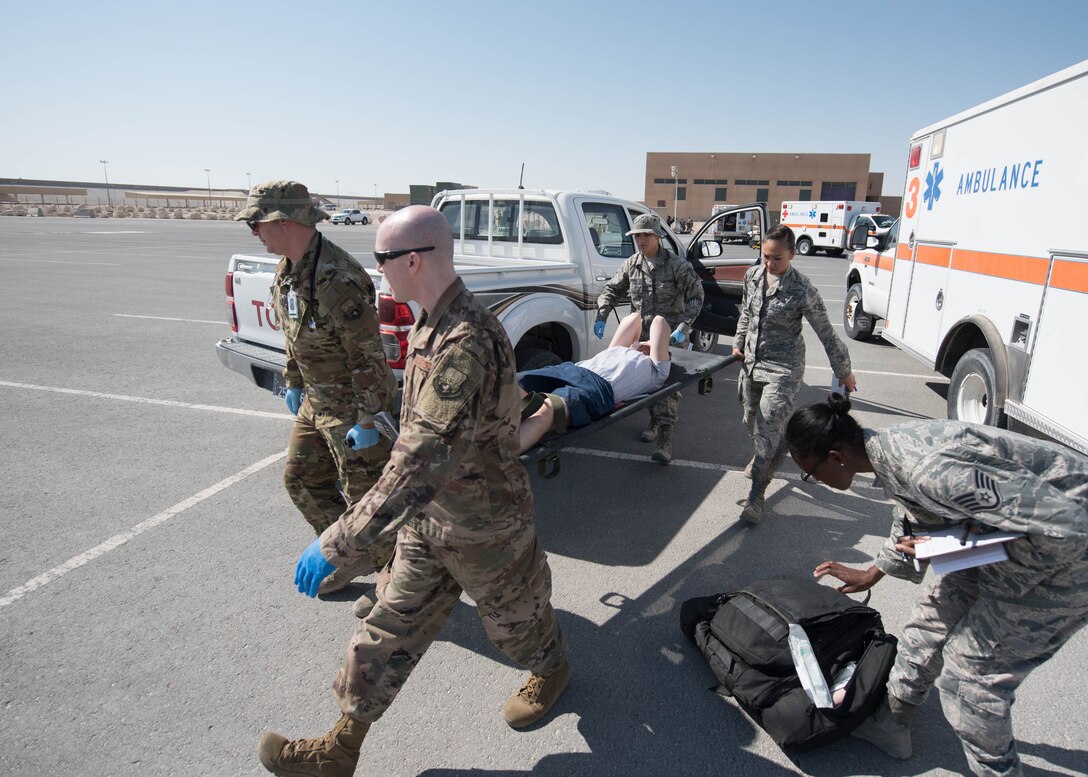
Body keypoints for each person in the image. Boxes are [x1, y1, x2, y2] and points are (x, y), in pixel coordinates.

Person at [258, 205, 570, 777]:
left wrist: (340, 541)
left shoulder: (466, 340)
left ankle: (551, 668)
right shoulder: (431, 320)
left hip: (485, 526)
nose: (376, 273)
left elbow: (419, 464)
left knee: (518, 629)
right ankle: (339, 750)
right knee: (385, 630)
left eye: (381, 260)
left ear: (412, 260)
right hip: (429, 524)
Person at [786, 394, 1088, 777]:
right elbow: (913, 512)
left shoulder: (928, 469)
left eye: (809, 473)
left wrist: (950, 544)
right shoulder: (885, 451)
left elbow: (1065, 529)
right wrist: (874, 571)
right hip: (1017, 535)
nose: (815, 482)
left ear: (835, 457)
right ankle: (891, 721)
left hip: (1069, 557)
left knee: (969, 685)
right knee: (931, 618)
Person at [236, 181, 396, 605]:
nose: (253, 232)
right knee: (302, 480)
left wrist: (368, 419)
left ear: (283, 222)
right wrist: (292, 381)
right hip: (316, 401)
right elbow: (292, 332)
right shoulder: (289, 268)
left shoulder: (335, 278)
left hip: (351, 410)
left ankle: (392, 586)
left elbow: (368, 357)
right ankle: (346, 554)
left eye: (256, 223)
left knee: (367, 503)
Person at [732, 223, 856, 524]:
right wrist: (738, 340)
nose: (769, 264)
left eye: (777, 259)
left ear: (792, 255)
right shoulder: (752, 276)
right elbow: (746, 312)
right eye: (765, 256)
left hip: (784, 368)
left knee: (767, 425)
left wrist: (843, 371)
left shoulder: (801, 288)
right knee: (750, 418)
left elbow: (826, 331)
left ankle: (756, 497)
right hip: (752, 363)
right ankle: (765, 451)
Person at [594, 212, 704, 464]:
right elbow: (612, 289)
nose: (641, 240)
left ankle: (665, 440)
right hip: (642, 336)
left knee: (667, 389)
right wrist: (602, 313)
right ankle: (654, 422)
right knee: (644, 383)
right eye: (637, 236)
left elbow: (696, 295)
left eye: (646, 235)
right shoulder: (632, 264)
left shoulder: (677, 265)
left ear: (658, 237)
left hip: (669, 336)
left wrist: (684, 327)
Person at [518, 312, 672, 453]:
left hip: (596, 388)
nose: (647, 344)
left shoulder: (656, 371)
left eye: (651, 343)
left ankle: (500, 462)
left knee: (547, 411)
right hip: (572, 371)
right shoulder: (619, 349)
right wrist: (636, 345)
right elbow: (634, 318)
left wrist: (650, 346)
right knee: (513, 385)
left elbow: (659, 322)